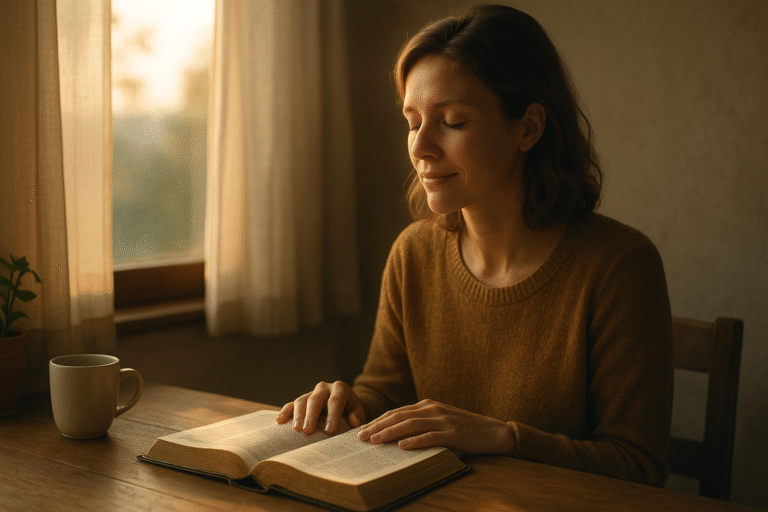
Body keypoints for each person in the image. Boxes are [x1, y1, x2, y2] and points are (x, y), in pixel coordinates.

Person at [277, 4, 673, 486]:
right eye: (413, 122)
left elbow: (638, 467)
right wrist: (347, 405)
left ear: (528, 127)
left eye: (453, 121)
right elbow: (386, 396)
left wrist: (504, 437)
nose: (420, 147)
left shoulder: (620, 267)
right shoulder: (413, 255)